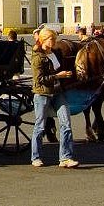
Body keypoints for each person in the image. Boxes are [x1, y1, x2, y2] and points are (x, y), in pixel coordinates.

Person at [30, 27, 79, 169]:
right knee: (40, 127)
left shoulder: (55, 53)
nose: (55, 42)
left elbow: (60, 68)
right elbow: (39, 80)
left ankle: (65, 158)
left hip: (58, 93)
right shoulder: (38, 57)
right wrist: (59, 76)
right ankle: (36, 157)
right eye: (52, 39)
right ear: (44, 40)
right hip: (43, 94)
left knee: (66, 123)